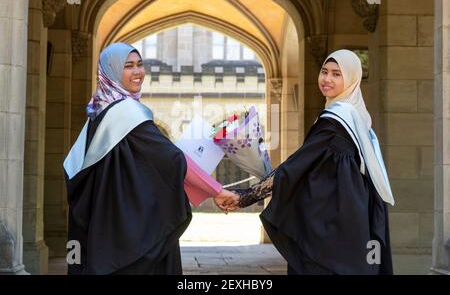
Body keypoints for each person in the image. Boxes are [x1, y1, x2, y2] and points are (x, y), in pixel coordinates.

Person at [63, 42, 237, 275]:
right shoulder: (127, 113)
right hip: (132, 230)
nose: (138, 72)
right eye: (128, 66)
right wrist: (216, 190)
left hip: (106, 226)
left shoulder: (97, 112)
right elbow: (173, 160)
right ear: (112, 71)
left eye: (140, 64)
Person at [219, 49, 394, 275]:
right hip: (354, 218)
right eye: (324, 72)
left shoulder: (334, 122)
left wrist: (245, 196)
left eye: (336, 74)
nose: (327, 79)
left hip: (332, 224)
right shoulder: (356, 117)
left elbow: (294, 169)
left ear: (351, 79)